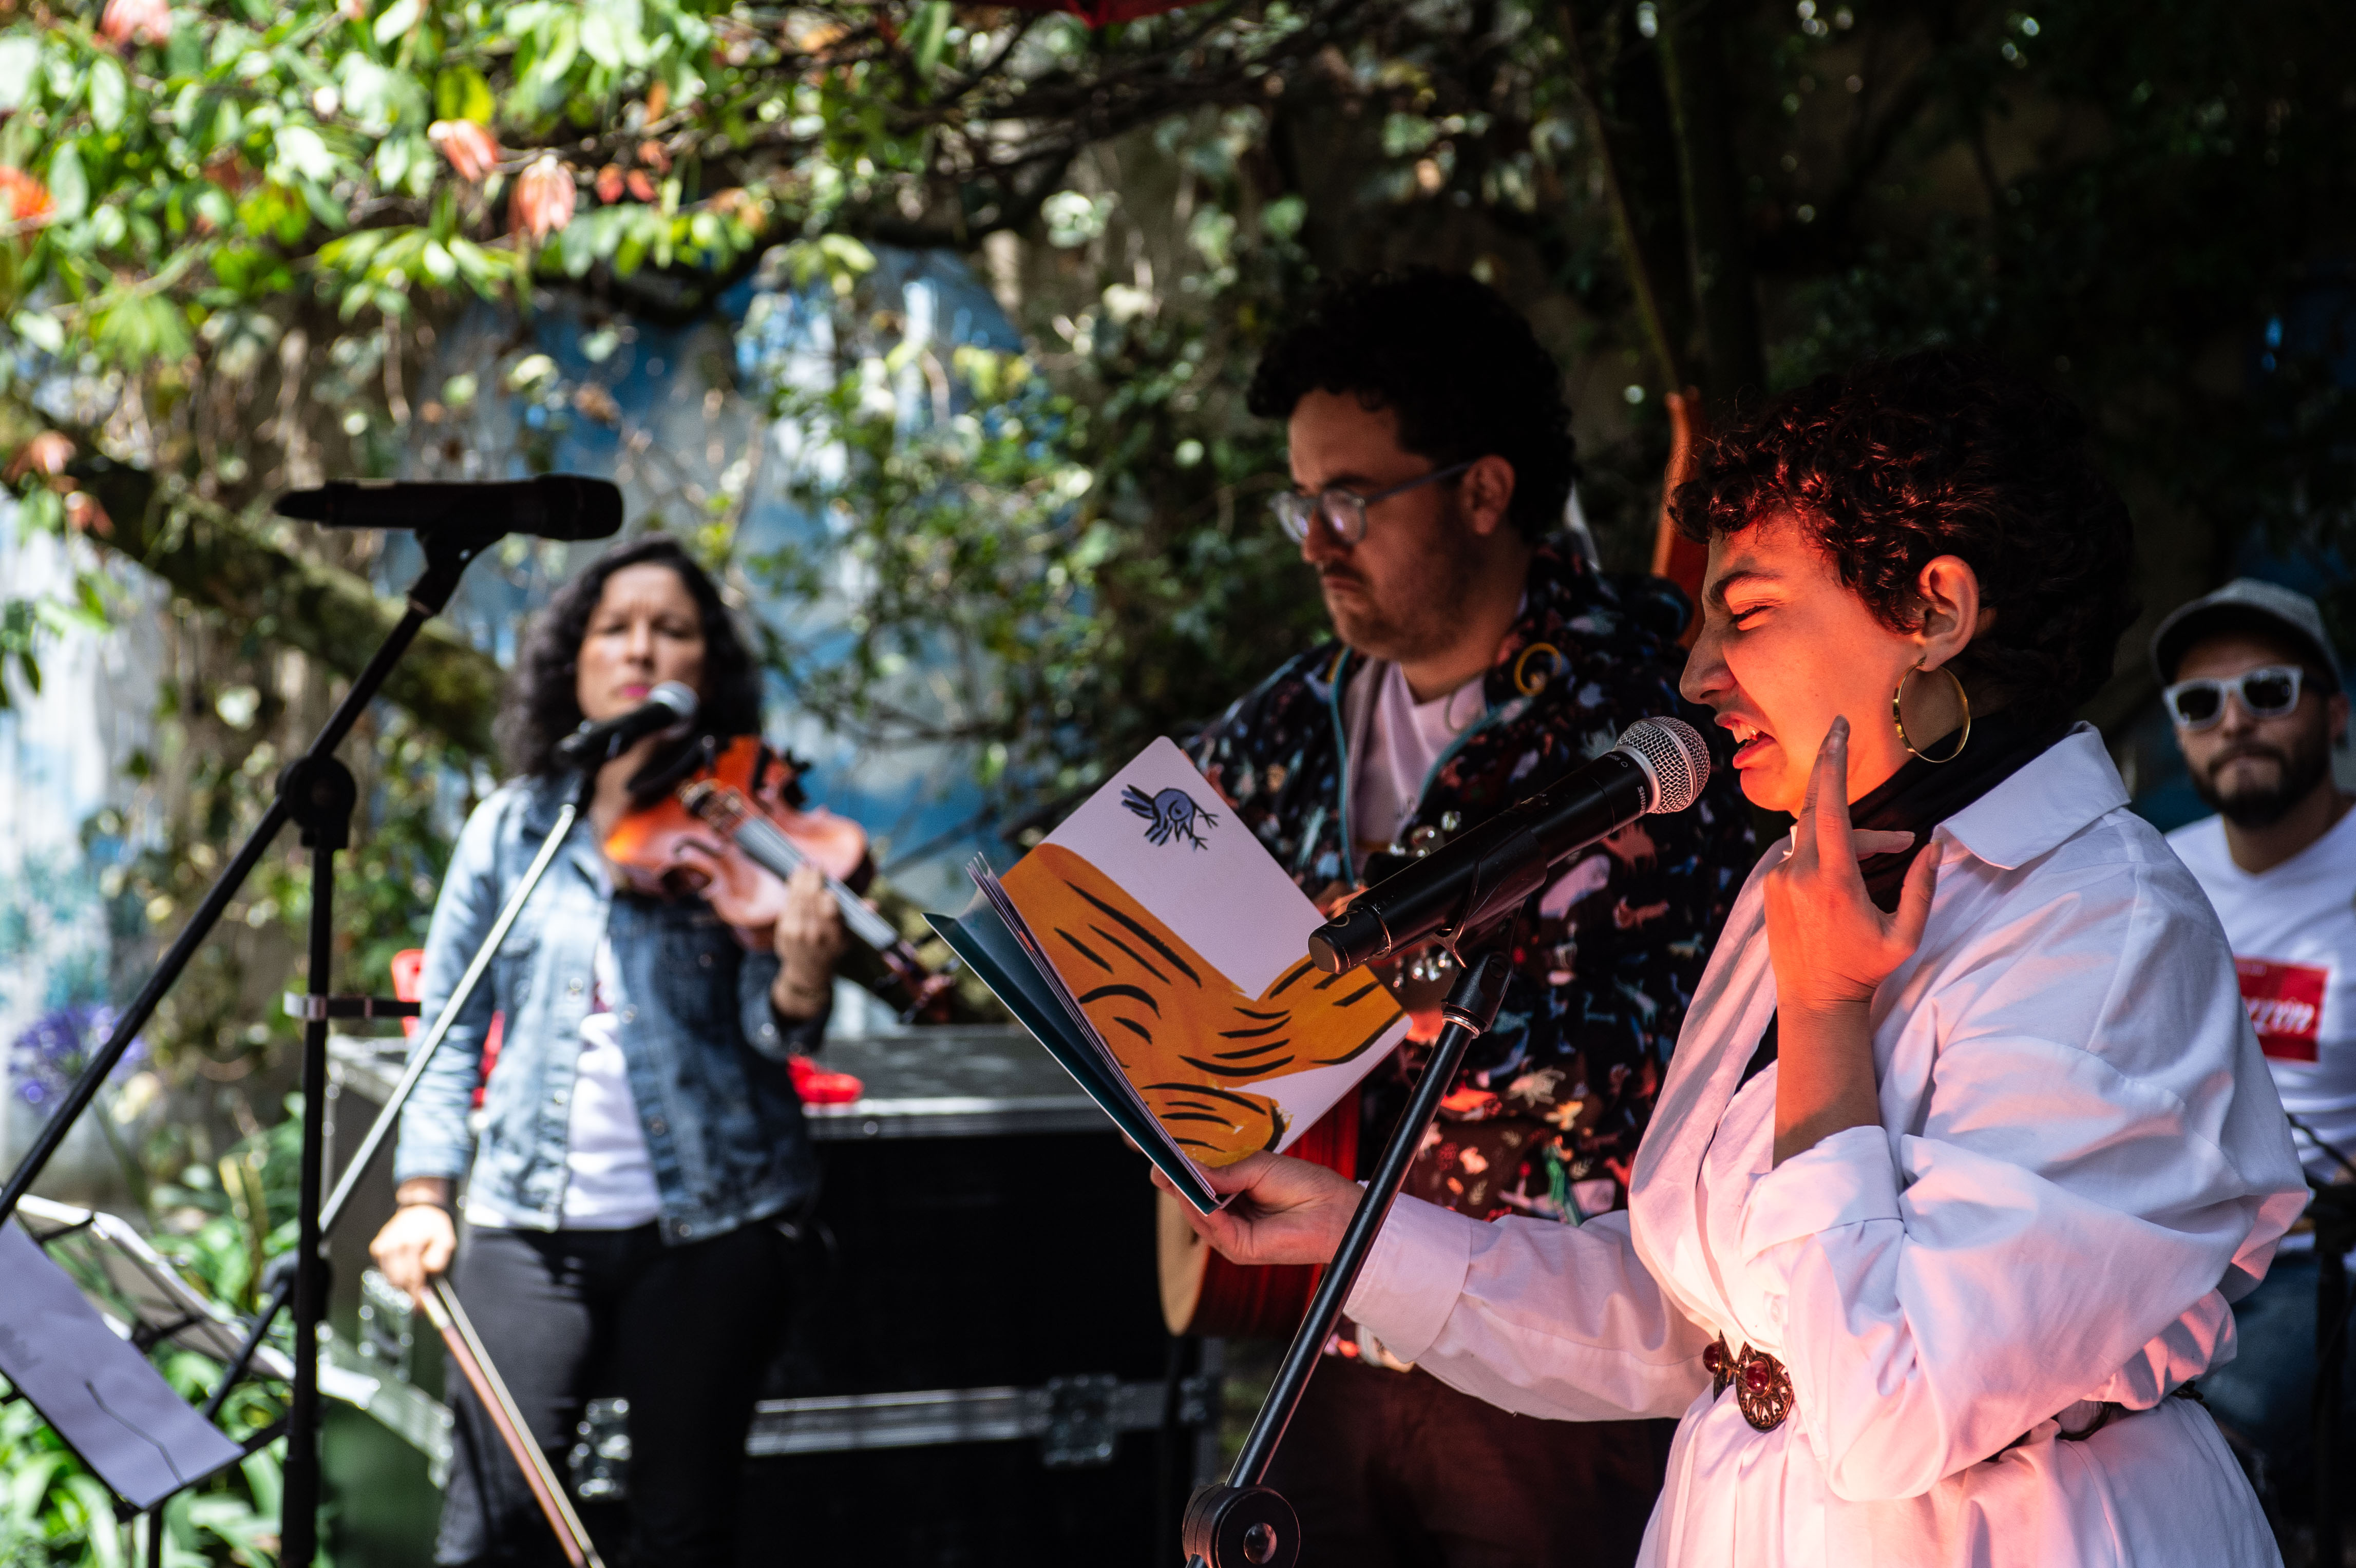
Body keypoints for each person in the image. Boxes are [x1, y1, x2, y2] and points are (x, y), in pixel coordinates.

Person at [1171, 351, 2308, 1566]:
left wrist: (1821, 1021)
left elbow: (1891, 1400)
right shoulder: (1806, 875)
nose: (1694, 672)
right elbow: (1705, 1320)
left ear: (1932, 613)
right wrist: (1356, 1237)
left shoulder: (2104, 924)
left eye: (1747, 611)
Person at [1186, 270, 1757, 1567]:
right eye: (1299, 501)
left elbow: (1730, 1000)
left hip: (1568, 1341)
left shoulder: (1657, 694)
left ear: (1484, 491)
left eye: (1348, 498)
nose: (1314, 539)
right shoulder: (1280, 728)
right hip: (1326, 1326)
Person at [371, 534, 846, 1567]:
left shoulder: (743, 826)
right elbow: (447, 1022)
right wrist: (422, 1193)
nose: (641, 648)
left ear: (704, 671)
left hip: (714, 1224)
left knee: (683, 1527)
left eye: (672, 631)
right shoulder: (511, 829)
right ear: (573, 662)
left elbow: (776, 1038)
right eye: (615, 627)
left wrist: (802, 984)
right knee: (491, 1526)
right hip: (527, 1225)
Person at [2152, 577, 2356, 1506]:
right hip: (2175, 1242)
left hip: (2324, 1267)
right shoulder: (2159, 868)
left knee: (2221, 1420)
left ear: (2336, 713)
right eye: (2201, 703)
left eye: (2267, 691)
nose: (2233, 721)